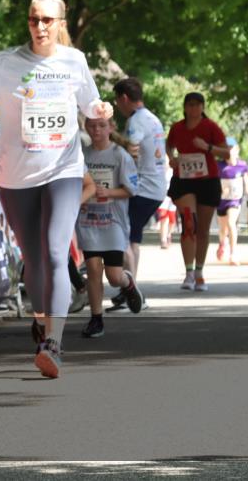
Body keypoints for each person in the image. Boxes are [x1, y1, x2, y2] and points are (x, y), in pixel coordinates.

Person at [0, 0, 114, 379]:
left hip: (64, 170)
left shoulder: (74, 61)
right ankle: (40, 317)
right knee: (33, 259)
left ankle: (53, 342)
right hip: (17, 177)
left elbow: (92, 105)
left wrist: (101, 110)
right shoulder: (6, 62)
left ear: (60, 23)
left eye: (47, 20)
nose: (40, 27)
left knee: (56, 252)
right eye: (34, 20)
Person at [78, 116, 143, 338]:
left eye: (102, 125)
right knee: (94, 271)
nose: (96, 130)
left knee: (113, 275)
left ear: (111, 127)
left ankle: (127, 283)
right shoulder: (82, 155)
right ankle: (96, 320)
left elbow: (131, 189)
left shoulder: (120, 155)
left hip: (113, 222)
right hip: (88, 221)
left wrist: (109, 192)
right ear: (86, 127)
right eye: (92, 125)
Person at [108, 77, 166, 310]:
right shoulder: (152, 118)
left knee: (124, 239)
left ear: (124, 98)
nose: (118, 106)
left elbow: (131, 152)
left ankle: (131, 292)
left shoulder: (136, 121)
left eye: (117, 101)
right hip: (155, 187)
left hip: (142, 188)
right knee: (133, 240)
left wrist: (110, 134)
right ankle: (130, 291)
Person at [165, 92, 229, 291]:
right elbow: (168, 145)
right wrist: (171, 157)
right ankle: (189, 273)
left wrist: (207, 147)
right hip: (184, 180)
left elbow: (226, 152)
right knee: (189, 223)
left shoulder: (211, 127)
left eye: (197, 105)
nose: (193, 108)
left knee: (202, 229)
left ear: (203, 107)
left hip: (207, 181)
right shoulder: (177, 127)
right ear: (184, 107)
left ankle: (200, 271)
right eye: (190, 104)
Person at [215, 138, 247, 265]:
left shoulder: (242, 165)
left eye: (231, 148)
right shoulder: (219, 166)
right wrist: (220, 191)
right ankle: (223, 243)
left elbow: (247, 184)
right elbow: (213, 182)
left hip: (235, 200)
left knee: (231, 222)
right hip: (221, 200)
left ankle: (233, 254)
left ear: (236, 150)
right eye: (226, 148)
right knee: (223, 229)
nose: (229, 151)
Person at [155, 161, 177, 250]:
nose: (165, 163)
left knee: (172, 220)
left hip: (172, 197)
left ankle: (169, 235)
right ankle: (163, 240)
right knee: (164, 218)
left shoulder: (173, 171)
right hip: (163, 198)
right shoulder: (159, 172)